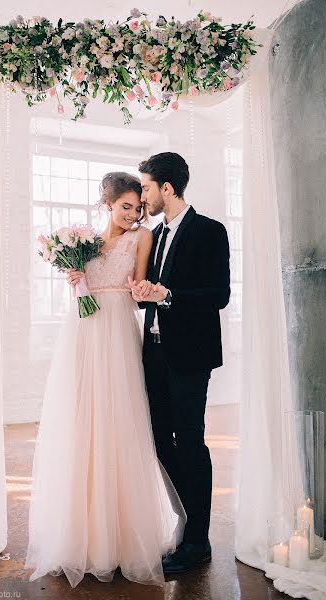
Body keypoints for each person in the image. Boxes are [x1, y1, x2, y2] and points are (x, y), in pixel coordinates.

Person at [25, 172, 186, 589]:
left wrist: (139, 289)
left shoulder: (143, 238)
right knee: (82, 421)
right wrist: (75, 280)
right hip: (83, 332)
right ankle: (82, 534)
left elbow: (135, 290)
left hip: (116, 328)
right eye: (125, 207)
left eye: (137, 206)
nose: (134, 214)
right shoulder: (86, 243)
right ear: (107, 205)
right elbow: (81, 285)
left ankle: (120, 537)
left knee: (119, 419)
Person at [128, 152, 230, 574]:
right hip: (153, 352)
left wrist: (167, 295)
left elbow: (219, 295)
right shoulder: (153, 233)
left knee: (189, 441)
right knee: (156, 440)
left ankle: (197, 541)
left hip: (190, 354)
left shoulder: (210, 231)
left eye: (147, 187)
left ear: (166, 188)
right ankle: (185, 522)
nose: (143, 195)